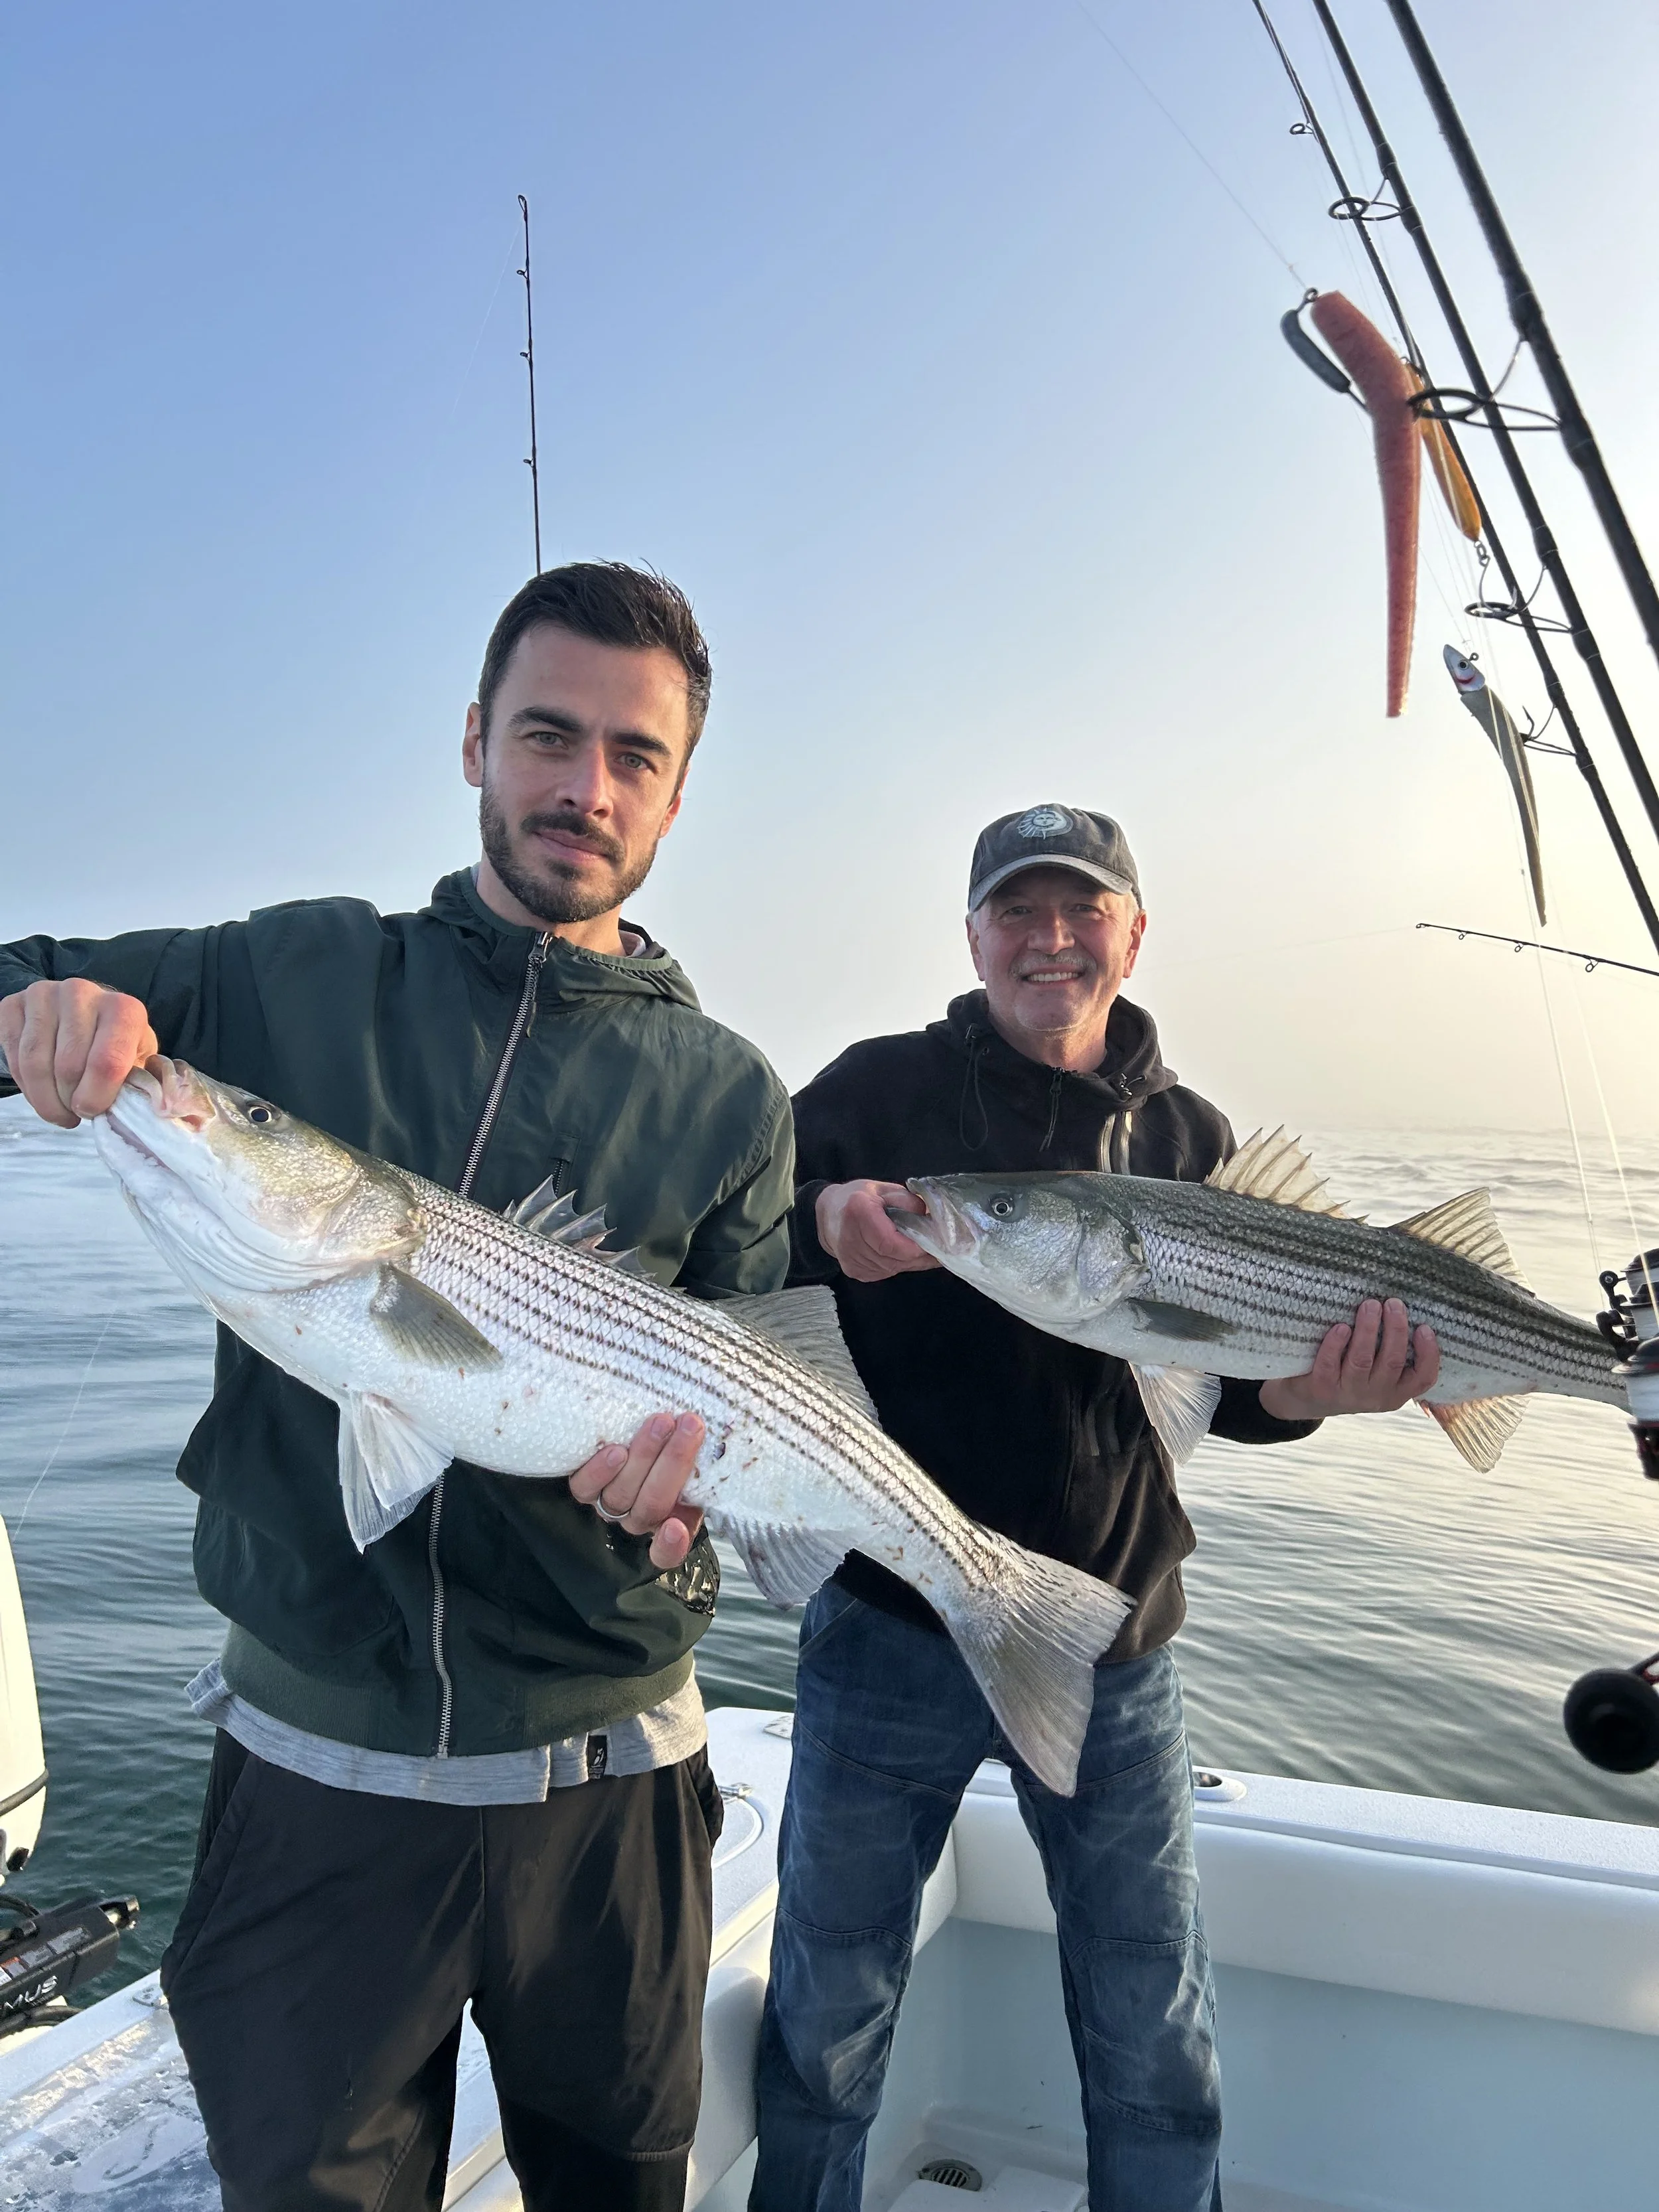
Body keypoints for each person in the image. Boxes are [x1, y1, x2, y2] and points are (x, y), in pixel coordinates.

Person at [0, 563, 792, 2212]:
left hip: (613, 1790)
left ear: (676, 792)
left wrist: (677, 1525)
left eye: (633, 756)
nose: (584, 788)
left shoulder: (729, 1097)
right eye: (547, 735)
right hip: (317, 1777)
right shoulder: (293, 973)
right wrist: (48, 1012)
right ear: (473, 741)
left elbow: (733, 1455)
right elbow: (20, 984)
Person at [750, 804, 1441, 2212]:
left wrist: (1319, 1391)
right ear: (971, 937)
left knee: (1151, 2026)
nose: (1048, 938)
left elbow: (1226, 1398)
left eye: (1081, 909)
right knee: (827, 2008)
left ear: (1133, 933)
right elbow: (732, 1232)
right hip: (889, 1618)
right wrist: (821, 1218)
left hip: (1113, 1639)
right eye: (1017, 909)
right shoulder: (876, 1089)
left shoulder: (1190, 1137)